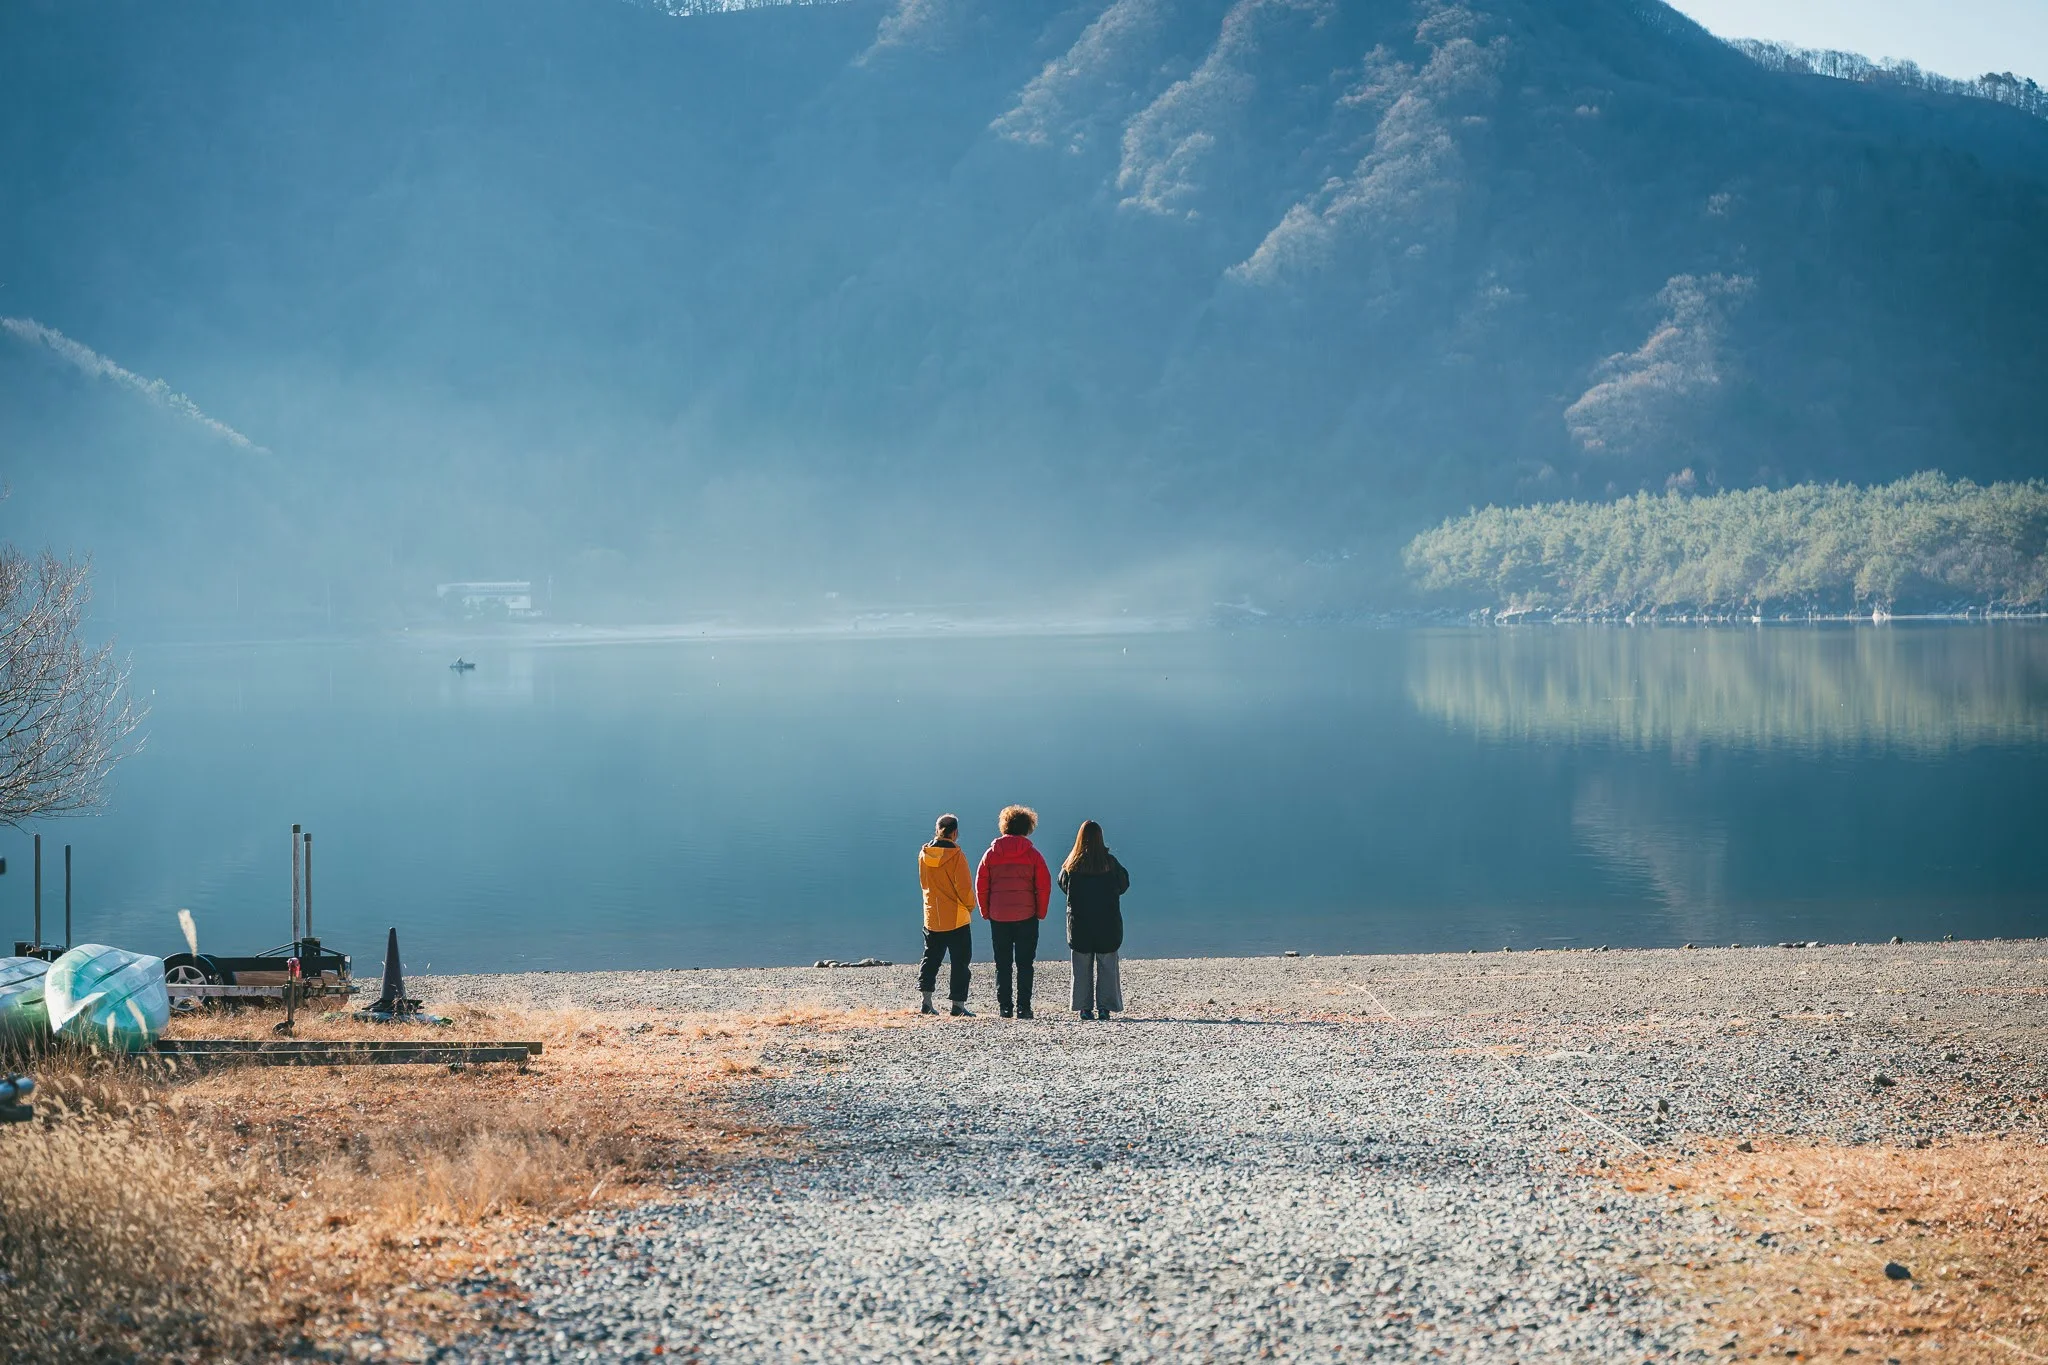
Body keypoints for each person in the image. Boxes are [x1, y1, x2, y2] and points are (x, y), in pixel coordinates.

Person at [976, 804, 1050, 1018]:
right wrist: (1041, 912)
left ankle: (1005, 1007)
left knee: (1002, 963)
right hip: (1027, 916)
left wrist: (985, 911)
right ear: (1027, 827)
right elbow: (1043, 886)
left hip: (998, 916)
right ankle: (1024, 1008)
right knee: (1025, 963)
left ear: (1004, 826)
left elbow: (981, 885)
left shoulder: (991, 854)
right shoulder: (1033, 855)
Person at [1059, 820, 1129, 1019]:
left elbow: (1062, 885)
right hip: (1107, 924)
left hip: (1080, 924)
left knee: (1081, 967)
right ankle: (1105, 1008)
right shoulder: (1110, 863)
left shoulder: (1071, 865)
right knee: (1107, 965)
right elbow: (1124, 884)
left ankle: (1084, 1008)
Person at [916, 814, 976, 1016]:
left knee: (930, 958)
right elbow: (965, 887)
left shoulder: (924, 854)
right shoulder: (957, 856)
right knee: (960, 962)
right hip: (956, 918)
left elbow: (924, 883)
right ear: (955, 832)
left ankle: (926, 1002)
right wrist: (970, 907)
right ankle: (957, 1006)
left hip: (932, 916)